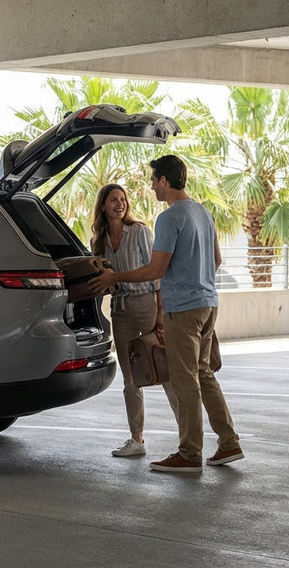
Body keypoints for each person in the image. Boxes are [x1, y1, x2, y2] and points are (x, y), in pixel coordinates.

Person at [88, 154, 243, 473]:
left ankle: (189, 454)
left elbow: (155, 270)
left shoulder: (170, 217)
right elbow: (215, 261)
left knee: (185, 380)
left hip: (182, 309)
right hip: (207, 302)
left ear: (164, 181)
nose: (151, 186)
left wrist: (115, 277)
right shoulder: (202, 212)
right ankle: (229, 443)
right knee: (203, 374)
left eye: (153, 180)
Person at [89, 184, 178, 458]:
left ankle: (187, 436)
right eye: (113, 200)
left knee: (164, 370)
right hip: (121, 309)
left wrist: (161, 311)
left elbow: (156, 272)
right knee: (131, 378)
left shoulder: (139, 230)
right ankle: (136, 440)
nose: (120, 204)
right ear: (103, 206)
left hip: (146, 303)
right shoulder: (98, 241)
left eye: (123, 199)